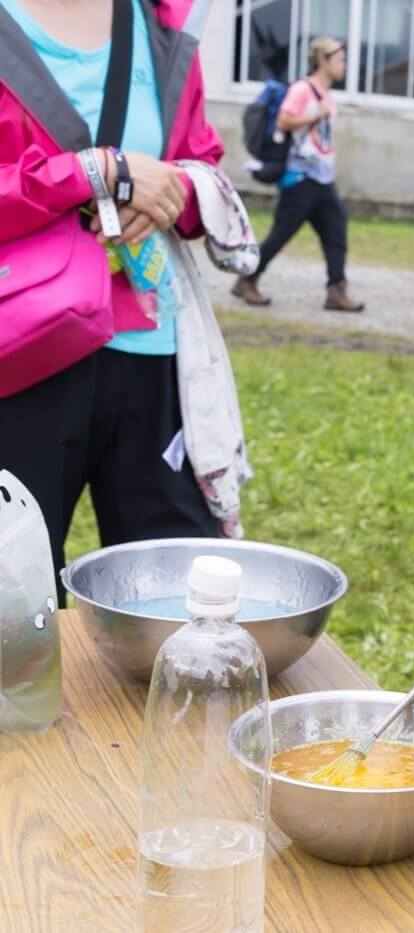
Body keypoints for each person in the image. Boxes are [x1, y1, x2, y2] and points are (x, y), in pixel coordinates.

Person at [0, 0, 228, 597]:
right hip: (22, 349)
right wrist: (96, 172)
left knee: (172, 591)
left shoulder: (163, 22)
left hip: (153, 347)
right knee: (13, 593)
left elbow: (198, 159)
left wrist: (174, 191)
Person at [232, 36, 364, 312]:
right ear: (323, 61)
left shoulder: (327, 95)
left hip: (322, 178)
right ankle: (247, 279)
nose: (344, 65)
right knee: (281, 234)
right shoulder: (303, 90)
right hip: (300, 178)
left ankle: (336, 290)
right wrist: (316, 114)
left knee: (336, 229)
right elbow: (283, 120)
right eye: (340, 59)